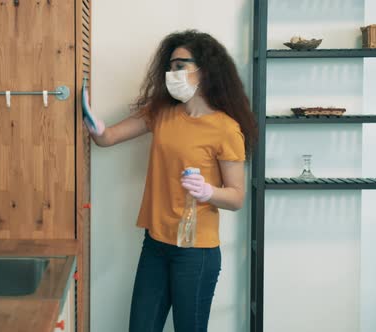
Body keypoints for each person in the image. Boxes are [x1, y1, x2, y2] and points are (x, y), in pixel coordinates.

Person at [83, 30, 258, 332]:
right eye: (170, 66)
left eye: (180, 65)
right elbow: (108, 138)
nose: (171, 73)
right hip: (155, 244)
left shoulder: (226, 129)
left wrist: (208, 191)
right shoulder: (161, 112)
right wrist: (94, 124)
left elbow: (237, 197)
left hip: (196, 252)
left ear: (204, 70)